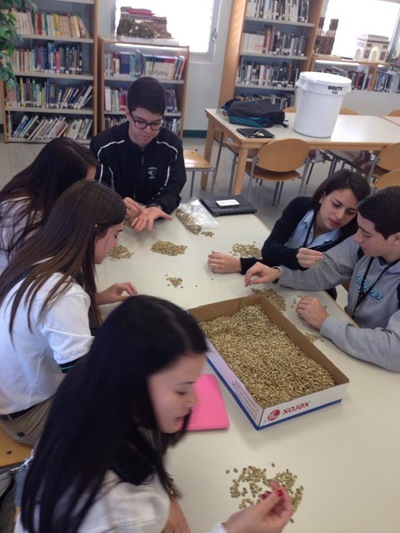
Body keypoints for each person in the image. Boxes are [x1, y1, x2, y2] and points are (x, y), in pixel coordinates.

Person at [15, 295, 293, 533]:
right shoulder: (129, 511)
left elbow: (148, 449)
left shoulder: (88, 396)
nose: (194, 401)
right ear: (133, 385)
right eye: (182, 390)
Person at [0, 180, 137, 447]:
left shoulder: (38, 254)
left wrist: (94, 298)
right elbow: (84, 380)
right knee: (129, 407)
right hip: (26, 417)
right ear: (96, 232)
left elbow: (42, 315)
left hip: (11, 390)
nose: (117, 244)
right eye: (117, 234)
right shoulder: (64, 294)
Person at [244, 186, 400, 373]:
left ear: (397, 239)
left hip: (381, 367)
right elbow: (328, 267)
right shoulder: (363, 246)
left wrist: (327, 323)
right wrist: (280, 274)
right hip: (351, 338)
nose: (356, 238)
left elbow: (394, 352)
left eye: (366, 234)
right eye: (358, 228)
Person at [208, 169, 370, 275]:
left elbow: (316, 277)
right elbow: (270, 250)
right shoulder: (300, 206)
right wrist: (294, 257)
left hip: (313, 290)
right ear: (323, 196)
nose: (340, 216)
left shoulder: (352, 236)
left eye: (350, 212)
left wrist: (242, 265)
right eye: (336, 205)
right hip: (277, 276)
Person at [90, 76, 186, 233]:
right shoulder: (103, 145)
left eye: (155, 123)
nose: (148, 130)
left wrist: (158, 206)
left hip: (155, 224)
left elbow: (172, 189)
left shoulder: (172, 145)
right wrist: (114, 202)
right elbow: (95, 190)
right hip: (114, 221)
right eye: (140, 122)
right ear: (127, 114)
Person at [0, 137, 99, 273]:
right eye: (84, 186)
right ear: (64, 184)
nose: (87, 193)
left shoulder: (45, 191)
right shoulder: (23, 213)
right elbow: (37, 270)